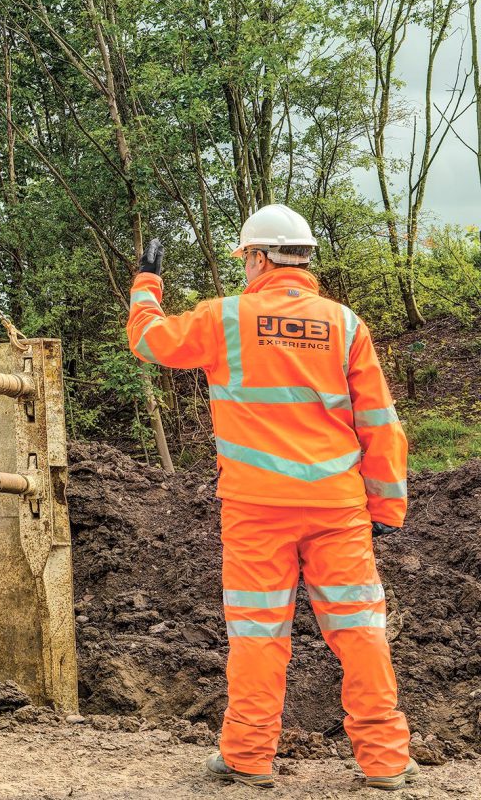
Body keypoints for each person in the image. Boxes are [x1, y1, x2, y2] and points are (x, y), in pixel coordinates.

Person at [127, 204, 415, 791]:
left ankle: (249, 757)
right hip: (337, 509)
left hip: (256, 511)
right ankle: (385, 761)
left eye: (246, 260)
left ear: (257, 257)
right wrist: (386, 506)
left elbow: (149, 341)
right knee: (360, 631)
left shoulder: (225, 318)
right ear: (305, 257)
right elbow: (380, 423)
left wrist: (146, 283)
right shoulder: (345, 325)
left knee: (258, 635)